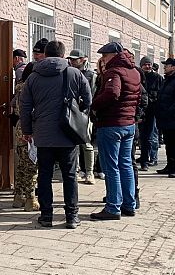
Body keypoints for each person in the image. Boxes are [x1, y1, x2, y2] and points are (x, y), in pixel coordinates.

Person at [20, 41, 91, 229]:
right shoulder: (74, 73)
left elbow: (25, 106)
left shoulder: (33, 77)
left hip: (43, 133)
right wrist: (78, 113)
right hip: (68, 133)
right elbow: (88, 99)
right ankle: (72, 216)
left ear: (45, 54)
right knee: (70, 175)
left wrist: (27, 131)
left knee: (44, 175)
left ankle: (46, 216)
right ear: (63, 55)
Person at [88, 42, 141, 221]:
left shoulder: (114, 71)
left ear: (114, 55)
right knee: (125, 164)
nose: (103, 59)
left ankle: (113, 207)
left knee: (111, 167)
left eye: (105, 55)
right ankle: (129, 204)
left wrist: (94, 105)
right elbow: (138, 96)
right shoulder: (134, 71)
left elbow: (112, 93)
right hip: (128, 124)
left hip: (112, 124)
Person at [67, 49, 97, 185]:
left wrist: (87, 110)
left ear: (83, 59)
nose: (72, 61)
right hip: (72, 112)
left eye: (75, 59)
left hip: (85, 113)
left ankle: (89, 172)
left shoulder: (91, 75)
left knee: (87, 143)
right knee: (75, 142)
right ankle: (78, 170)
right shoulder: (69, 73)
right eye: (71, 59)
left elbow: (92, 95)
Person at [12, 62, 39, 211]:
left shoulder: (19, 88)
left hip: (20, 128)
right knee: (31, 167)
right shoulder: (31, 89)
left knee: (22, 166)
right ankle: (31, 199)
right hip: (30, 130)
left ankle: (18, 196)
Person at [137, 57, 163, 171]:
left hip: (150, 111)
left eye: (149, 64)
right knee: (137, 137)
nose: (147, 66)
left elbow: (161, 94)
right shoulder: (137, 75)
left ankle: (145, 161)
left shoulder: (157, 78)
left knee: (148, 137)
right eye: (145, 64)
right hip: (138, 111)